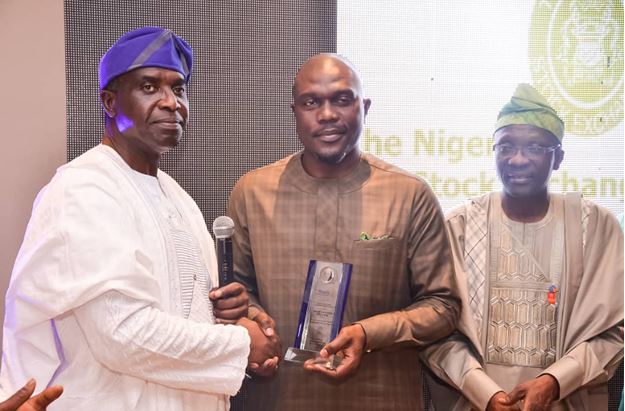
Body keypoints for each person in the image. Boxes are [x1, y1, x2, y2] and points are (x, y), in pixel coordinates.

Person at [0, 27, 278, 410]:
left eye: (178, 89)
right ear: (110, 102)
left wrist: (226, 316)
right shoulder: (84, 189)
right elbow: (122, 334)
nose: (170, 103)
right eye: (149, 88)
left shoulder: (178, 197)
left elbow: (178, 313)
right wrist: (242, 344)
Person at [227, 53, 461, 411]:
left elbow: (443, 307)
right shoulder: (252, 192)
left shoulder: (409, 194)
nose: (327, 114)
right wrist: (256, 325)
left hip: (382, 397)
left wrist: (368, 333)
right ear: (295, 113)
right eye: (311, 102)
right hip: (279, 397)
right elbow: (239, 292)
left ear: (363, 107)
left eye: (341, 99)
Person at [422, 83, 624, 410]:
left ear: (558, 158)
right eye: (505, 147)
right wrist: (486, 393)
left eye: (533, 148)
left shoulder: (595, 227)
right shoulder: (459, 227)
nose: (517, 160)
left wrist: (555, 381)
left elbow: (613, 334)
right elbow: (435, 329)